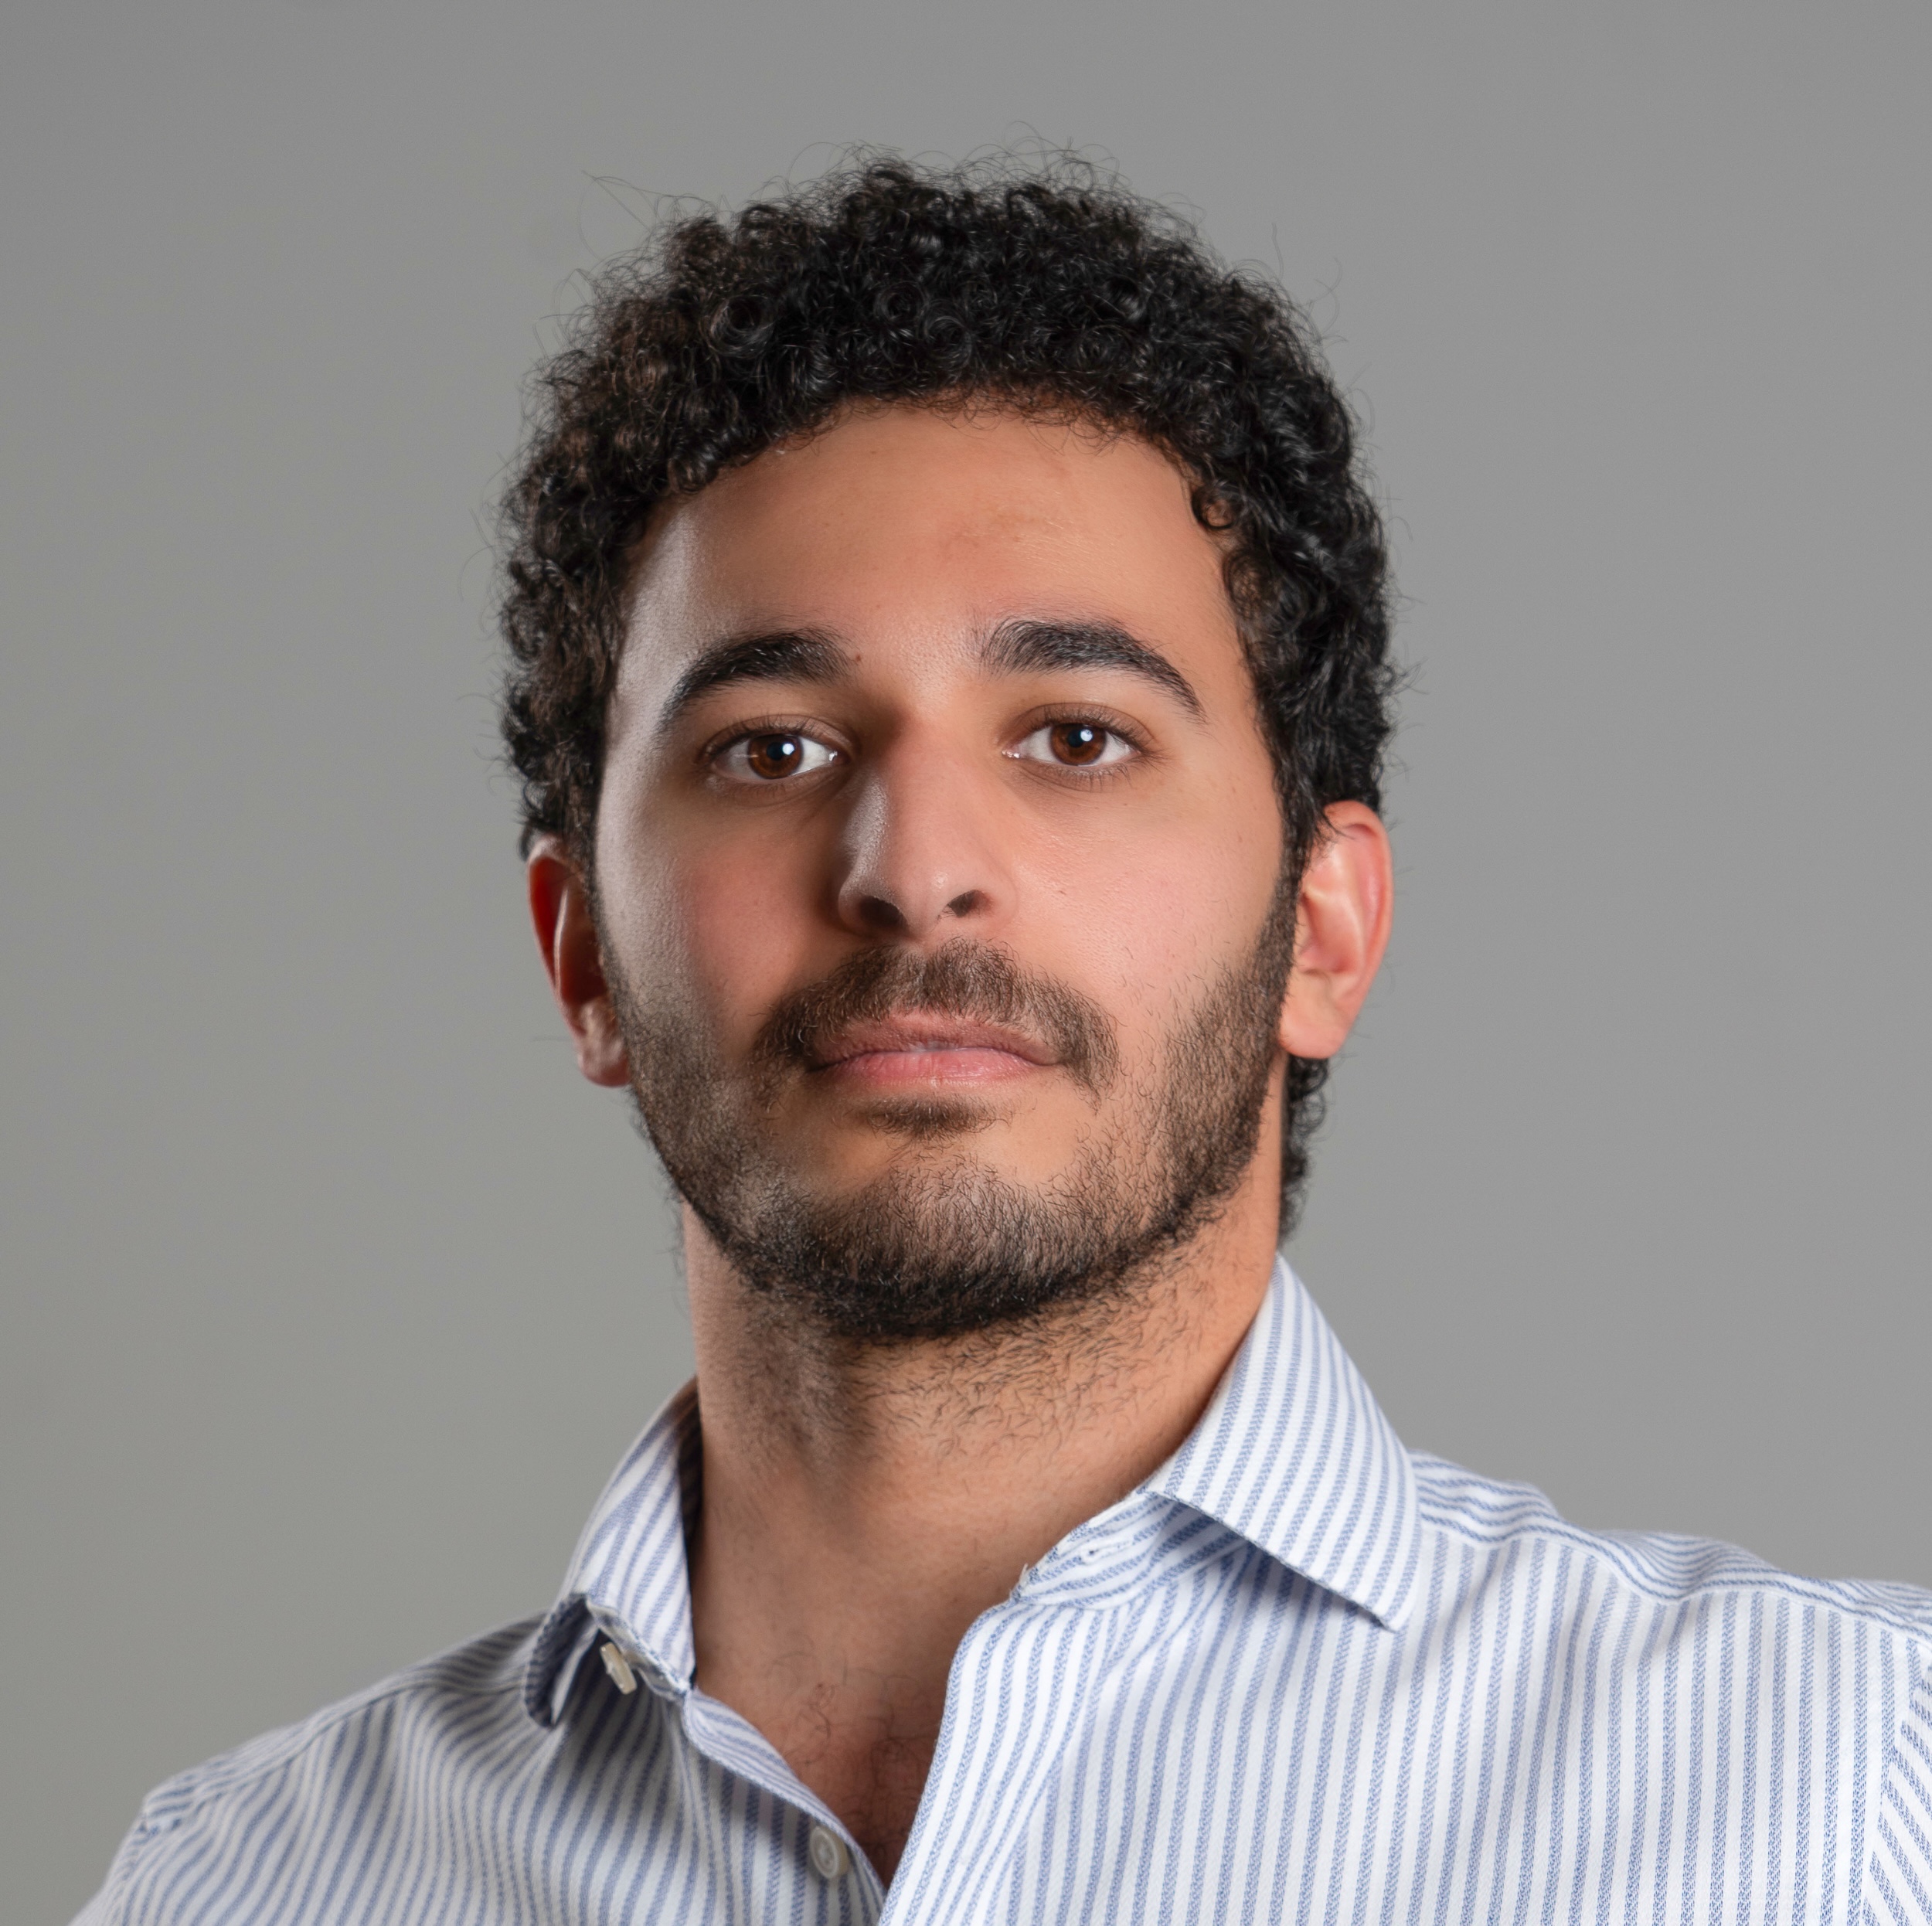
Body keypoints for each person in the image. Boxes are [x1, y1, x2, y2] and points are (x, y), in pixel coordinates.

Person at [79, 155, 1932, 1926]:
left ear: (1319, 927)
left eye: (1074, 737)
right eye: (772, 747)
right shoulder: (241, 1886)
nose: (913, 873)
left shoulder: (1845, 1798)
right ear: (581, 958)